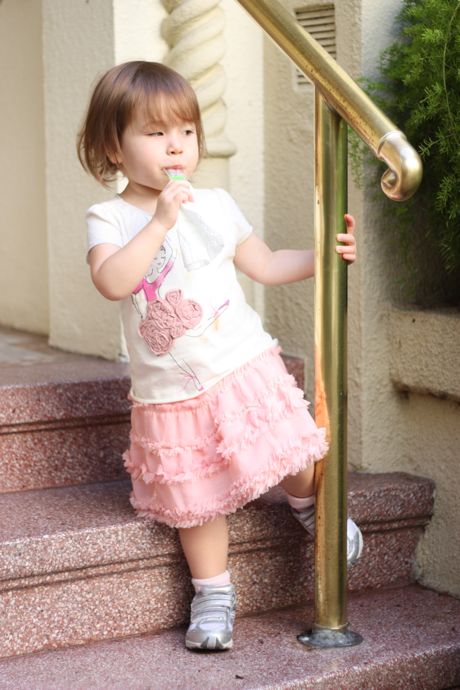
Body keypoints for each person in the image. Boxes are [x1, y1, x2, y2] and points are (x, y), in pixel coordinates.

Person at [77, 61, 362, 652]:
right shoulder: (111, 217)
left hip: (241, 367)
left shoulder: (218, 203)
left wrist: (322, 256)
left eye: (185, 131)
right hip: (171, 394)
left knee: (293, 446)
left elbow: (264, 263)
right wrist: (159, 221)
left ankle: (312, 512)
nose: (175, 145)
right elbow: (112, 280)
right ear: (113, 145)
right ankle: (213, 595)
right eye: (155, 134)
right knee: (197, 499)